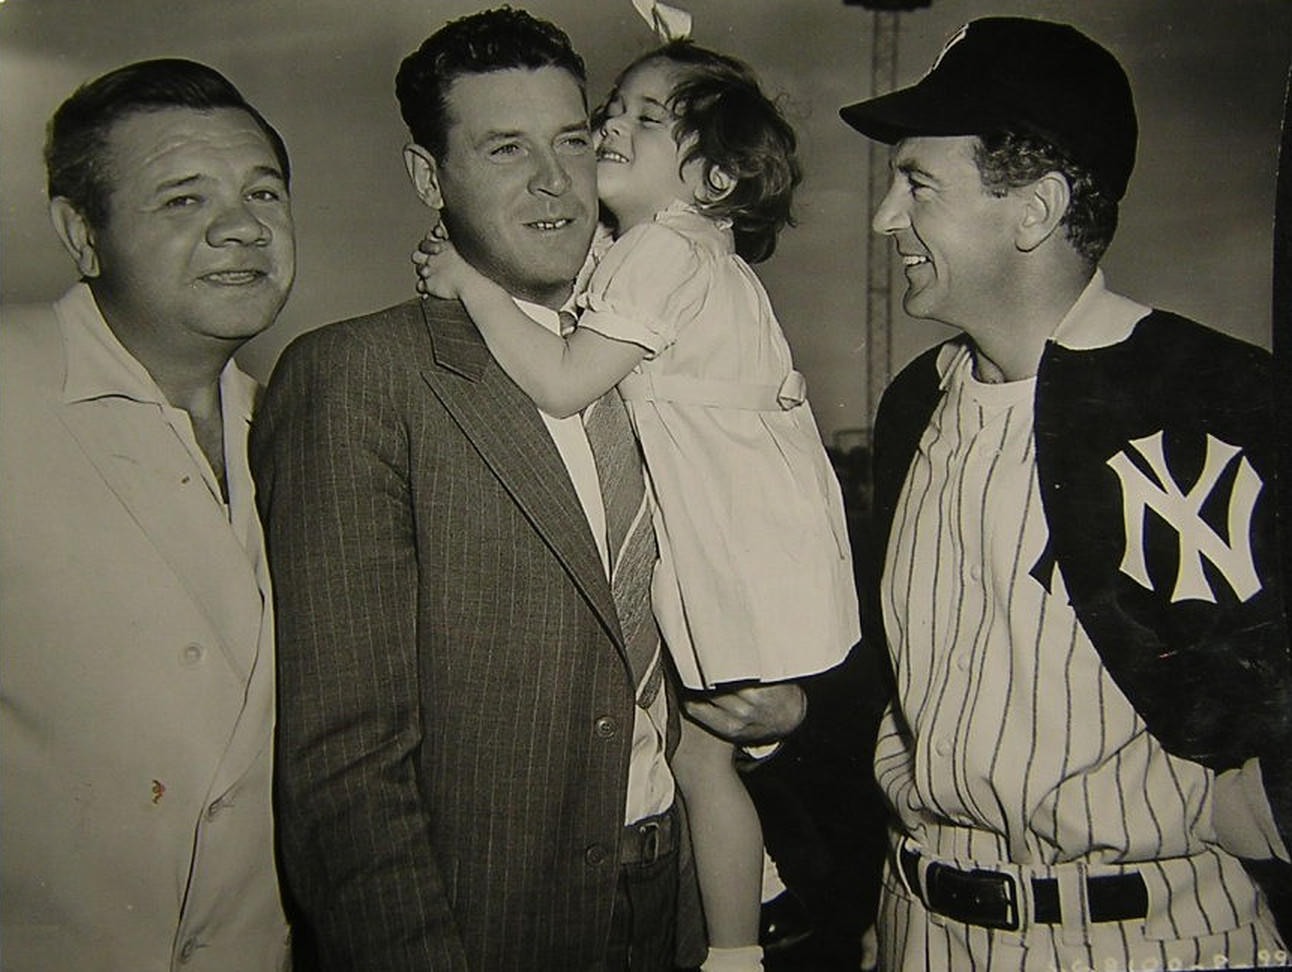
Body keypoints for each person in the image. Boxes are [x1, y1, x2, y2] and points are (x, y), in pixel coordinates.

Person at [251, 10, 805, 970]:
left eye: (573, 141)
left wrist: (774, 709)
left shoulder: (667, 358)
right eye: (506, 149)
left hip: (679, 905)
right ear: (430, 177)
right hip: (491, 929)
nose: (555, 181)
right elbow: (344, 771)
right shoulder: (359, 378)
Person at [838, 16, 1292, 971]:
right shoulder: (915, 402)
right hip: (921, 922)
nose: (884, 217)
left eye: (917, 183)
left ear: (1033, 209)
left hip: (1152, 937)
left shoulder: (1217, 394)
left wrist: (1264, 812)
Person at [414, 38, 859, 971]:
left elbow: (565, 379)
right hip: (761, 528)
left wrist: (474, 287)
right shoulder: (687, 249)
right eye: (613, 111)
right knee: (706, 760)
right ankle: (751, 916)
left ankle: (740, 936)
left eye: (644, 120)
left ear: (711, 175)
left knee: (704, 755)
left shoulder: (661, 248)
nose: (612, 127)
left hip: (724, 541)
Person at [0, 59, 296, 969]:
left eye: (264, 191)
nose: (243, 227)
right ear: (80, 233)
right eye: (183, 200)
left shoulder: (295, 424)